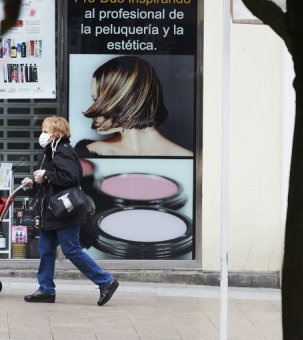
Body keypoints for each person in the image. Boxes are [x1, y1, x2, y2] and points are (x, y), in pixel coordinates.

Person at [22, 116, 119, 306]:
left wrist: (47, 175)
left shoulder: (63, 151)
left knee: (71, 249)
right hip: (52, 212)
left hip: (66, 211)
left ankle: (105, 281)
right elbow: (48, 183)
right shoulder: (48, 152)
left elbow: (71, 177)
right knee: (46, 250)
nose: (42, 135)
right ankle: (46, 289)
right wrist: (33, 183)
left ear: (57, 133)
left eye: (45, 131)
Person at [74, 56, 193, 157]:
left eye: (99, 100)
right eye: (95, 100)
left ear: (128, 99)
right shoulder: (87, 153)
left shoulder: (187, 159)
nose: (94, 109)